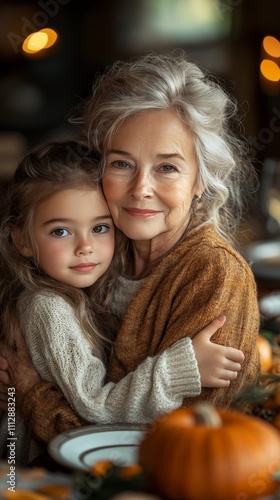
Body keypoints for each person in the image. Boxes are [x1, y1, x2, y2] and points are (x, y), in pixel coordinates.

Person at [0, 51, 259, 445]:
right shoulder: (102, 249)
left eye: (167, 167)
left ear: (201, 179)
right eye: (122, 164)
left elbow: (165, 448)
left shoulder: (216, 276)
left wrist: (31, 392)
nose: (141, 189)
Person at [0, 139, 240, 465]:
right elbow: (97, 407)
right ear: (22, 240)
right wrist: (184, 368)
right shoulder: (48, 308)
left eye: (100, 227)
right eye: (60, 232)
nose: (85, 246)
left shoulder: (79, 291)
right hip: (46, 471)